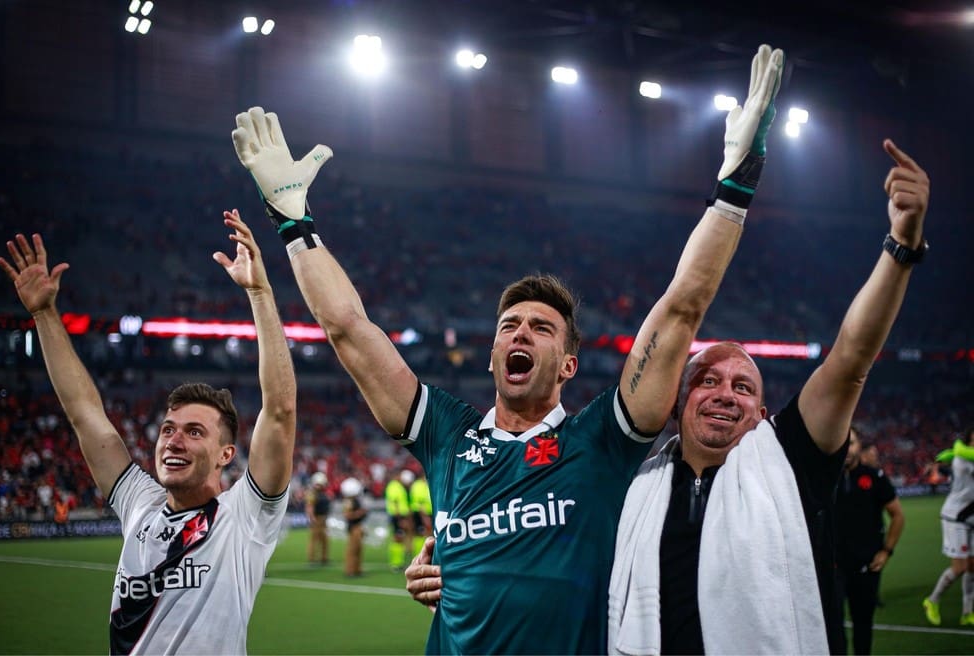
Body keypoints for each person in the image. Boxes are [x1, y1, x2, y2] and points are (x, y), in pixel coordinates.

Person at [232, 44, 784, 654]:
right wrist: (293, 222)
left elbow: (681, 308)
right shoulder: (444, 433)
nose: (520, 333)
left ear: (569, 365)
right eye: (509, 326)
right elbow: (348, 329)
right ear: (493, 355)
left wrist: (735, 185)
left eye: (541, 329)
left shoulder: (601, 439)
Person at [408, 139, 931, 655]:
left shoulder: (788, 458)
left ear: (763, 415)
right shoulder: (630, 475)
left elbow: (850, 361)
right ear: (677, 407)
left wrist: (900, 249)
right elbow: (539, 548)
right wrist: (454, 570)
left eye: (743, 386)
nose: (724, 392)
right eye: (706, 380)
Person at [0, 210, 298, 655]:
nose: (173, 441)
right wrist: (44, 314)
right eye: (168, 429)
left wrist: (259, 292)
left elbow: (280, 410)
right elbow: (85, 414)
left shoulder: (245, 518)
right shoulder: (141, 505)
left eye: (195, 432)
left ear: (225, 454)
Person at [835, 427, 905, 654]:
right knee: (832, 629)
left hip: (867, 567)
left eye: (851, 442)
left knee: (863, 627)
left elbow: (898, 515)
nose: (846, 447)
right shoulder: (822, 477)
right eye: (841, 441)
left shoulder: (874, 477)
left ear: (859, 447)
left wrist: (886, 551)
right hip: (831, 568)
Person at [922, 427, 974, 626]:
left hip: (971, 517)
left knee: (972, 567)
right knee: (960, 567)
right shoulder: (963, 460)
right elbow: (960, 453)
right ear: (968, 441)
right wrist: (956, 450)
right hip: (956, 517)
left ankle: (967, 613)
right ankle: (932, 600)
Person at [385, 468, 415, 572]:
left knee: (399, 539)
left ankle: (398, 562)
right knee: (397, 539)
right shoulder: (394, 486)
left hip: (399, 516)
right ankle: (396, 564)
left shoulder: (397, 486)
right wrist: (400, 520)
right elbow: (395, 503)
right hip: (397, 517)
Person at [340, 476, 367, 577]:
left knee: (359, 549)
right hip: (354, 527)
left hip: (358, 526)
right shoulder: (349, 501)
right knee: (352, 550)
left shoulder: (355, 500)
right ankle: (350, 570)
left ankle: (357, 569)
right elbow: (347, 515)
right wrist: (360, 513)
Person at [306, 471, 330, 565]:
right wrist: (311, 518)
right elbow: (309, 506)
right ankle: (312, 558)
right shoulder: (312, 494)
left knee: (324, 539)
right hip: (317, 518)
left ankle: (324, 558)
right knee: (314, 539)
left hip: (324, 518)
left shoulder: (323, 493)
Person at [408, 470, 433, 555]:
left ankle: (426, 554)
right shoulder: (418, 485)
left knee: (428, 534)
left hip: (429, 512)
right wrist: (424, 516)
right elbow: (419, 501)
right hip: (420, 513)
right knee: (420, 533)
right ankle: (419, 554)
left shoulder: (426, 484)